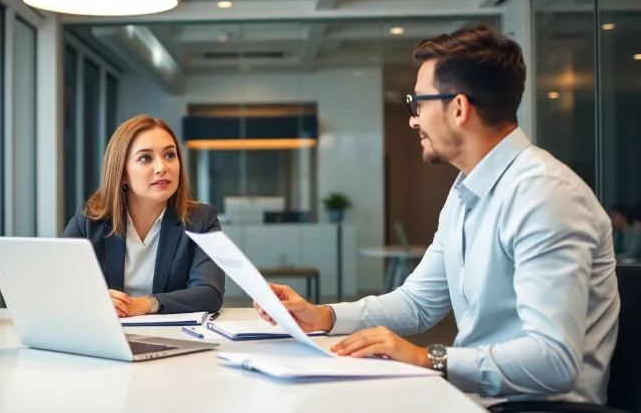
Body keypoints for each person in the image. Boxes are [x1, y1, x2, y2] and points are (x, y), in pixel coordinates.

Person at [255, 26, 619, 405]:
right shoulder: (466, 191)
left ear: (458, 108)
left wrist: (427, 359)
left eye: (418, 103)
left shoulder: (545, 195)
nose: (413, 120)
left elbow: (554, 361)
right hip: (476, 398)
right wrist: (323, 316)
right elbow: (418, 303)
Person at [62, 115, 225, 317]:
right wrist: (94, 300)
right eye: (145, 158)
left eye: (170, 155)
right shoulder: (89, 220)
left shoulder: (201, 220)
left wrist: (143, 304)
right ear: (122, 172)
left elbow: (210, 293)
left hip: (174, 338)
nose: (162, 167)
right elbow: (57, 284)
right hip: (105, 335)